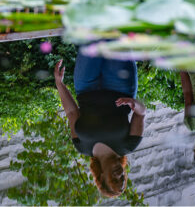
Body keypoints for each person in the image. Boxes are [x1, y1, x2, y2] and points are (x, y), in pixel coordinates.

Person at [55, 53, 145, 198]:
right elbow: (141, 113)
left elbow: (72, 113)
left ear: (101, 178)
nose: (119, 175)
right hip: (120, 85)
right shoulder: (129, 144)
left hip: (86, 88)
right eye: (122, 178)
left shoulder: (82, 147)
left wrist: (60, 84)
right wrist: (134, 104)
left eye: (114, 180)